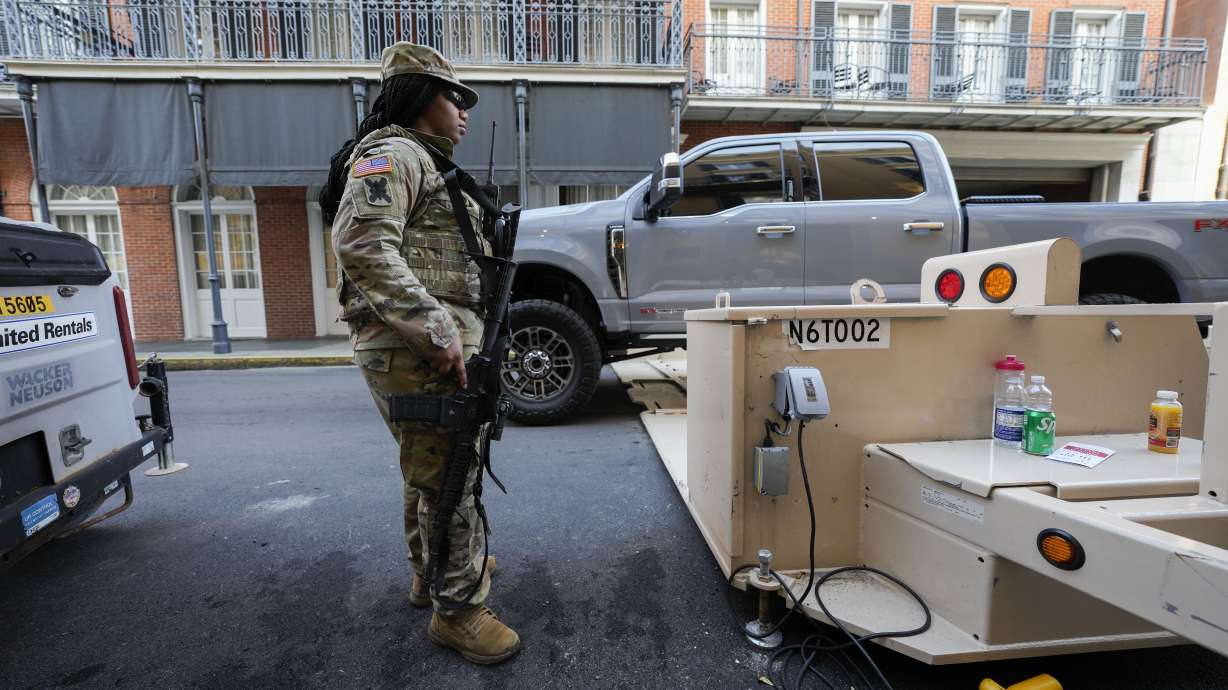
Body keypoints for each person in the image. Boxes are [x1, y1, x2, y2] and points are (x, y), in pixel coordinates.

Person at [319, 42, 520, 665]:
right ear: (418, 97)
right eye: (452, 96)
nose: (463, 110)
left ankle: (429, 574)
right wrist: (436, 331)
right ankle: (457, 611)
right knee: (451, 473)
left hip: (427, 345)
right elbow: (361, 244)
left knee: (429, 468)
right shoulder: (394, 153)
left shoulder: (424, 162)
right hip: (419, 347)